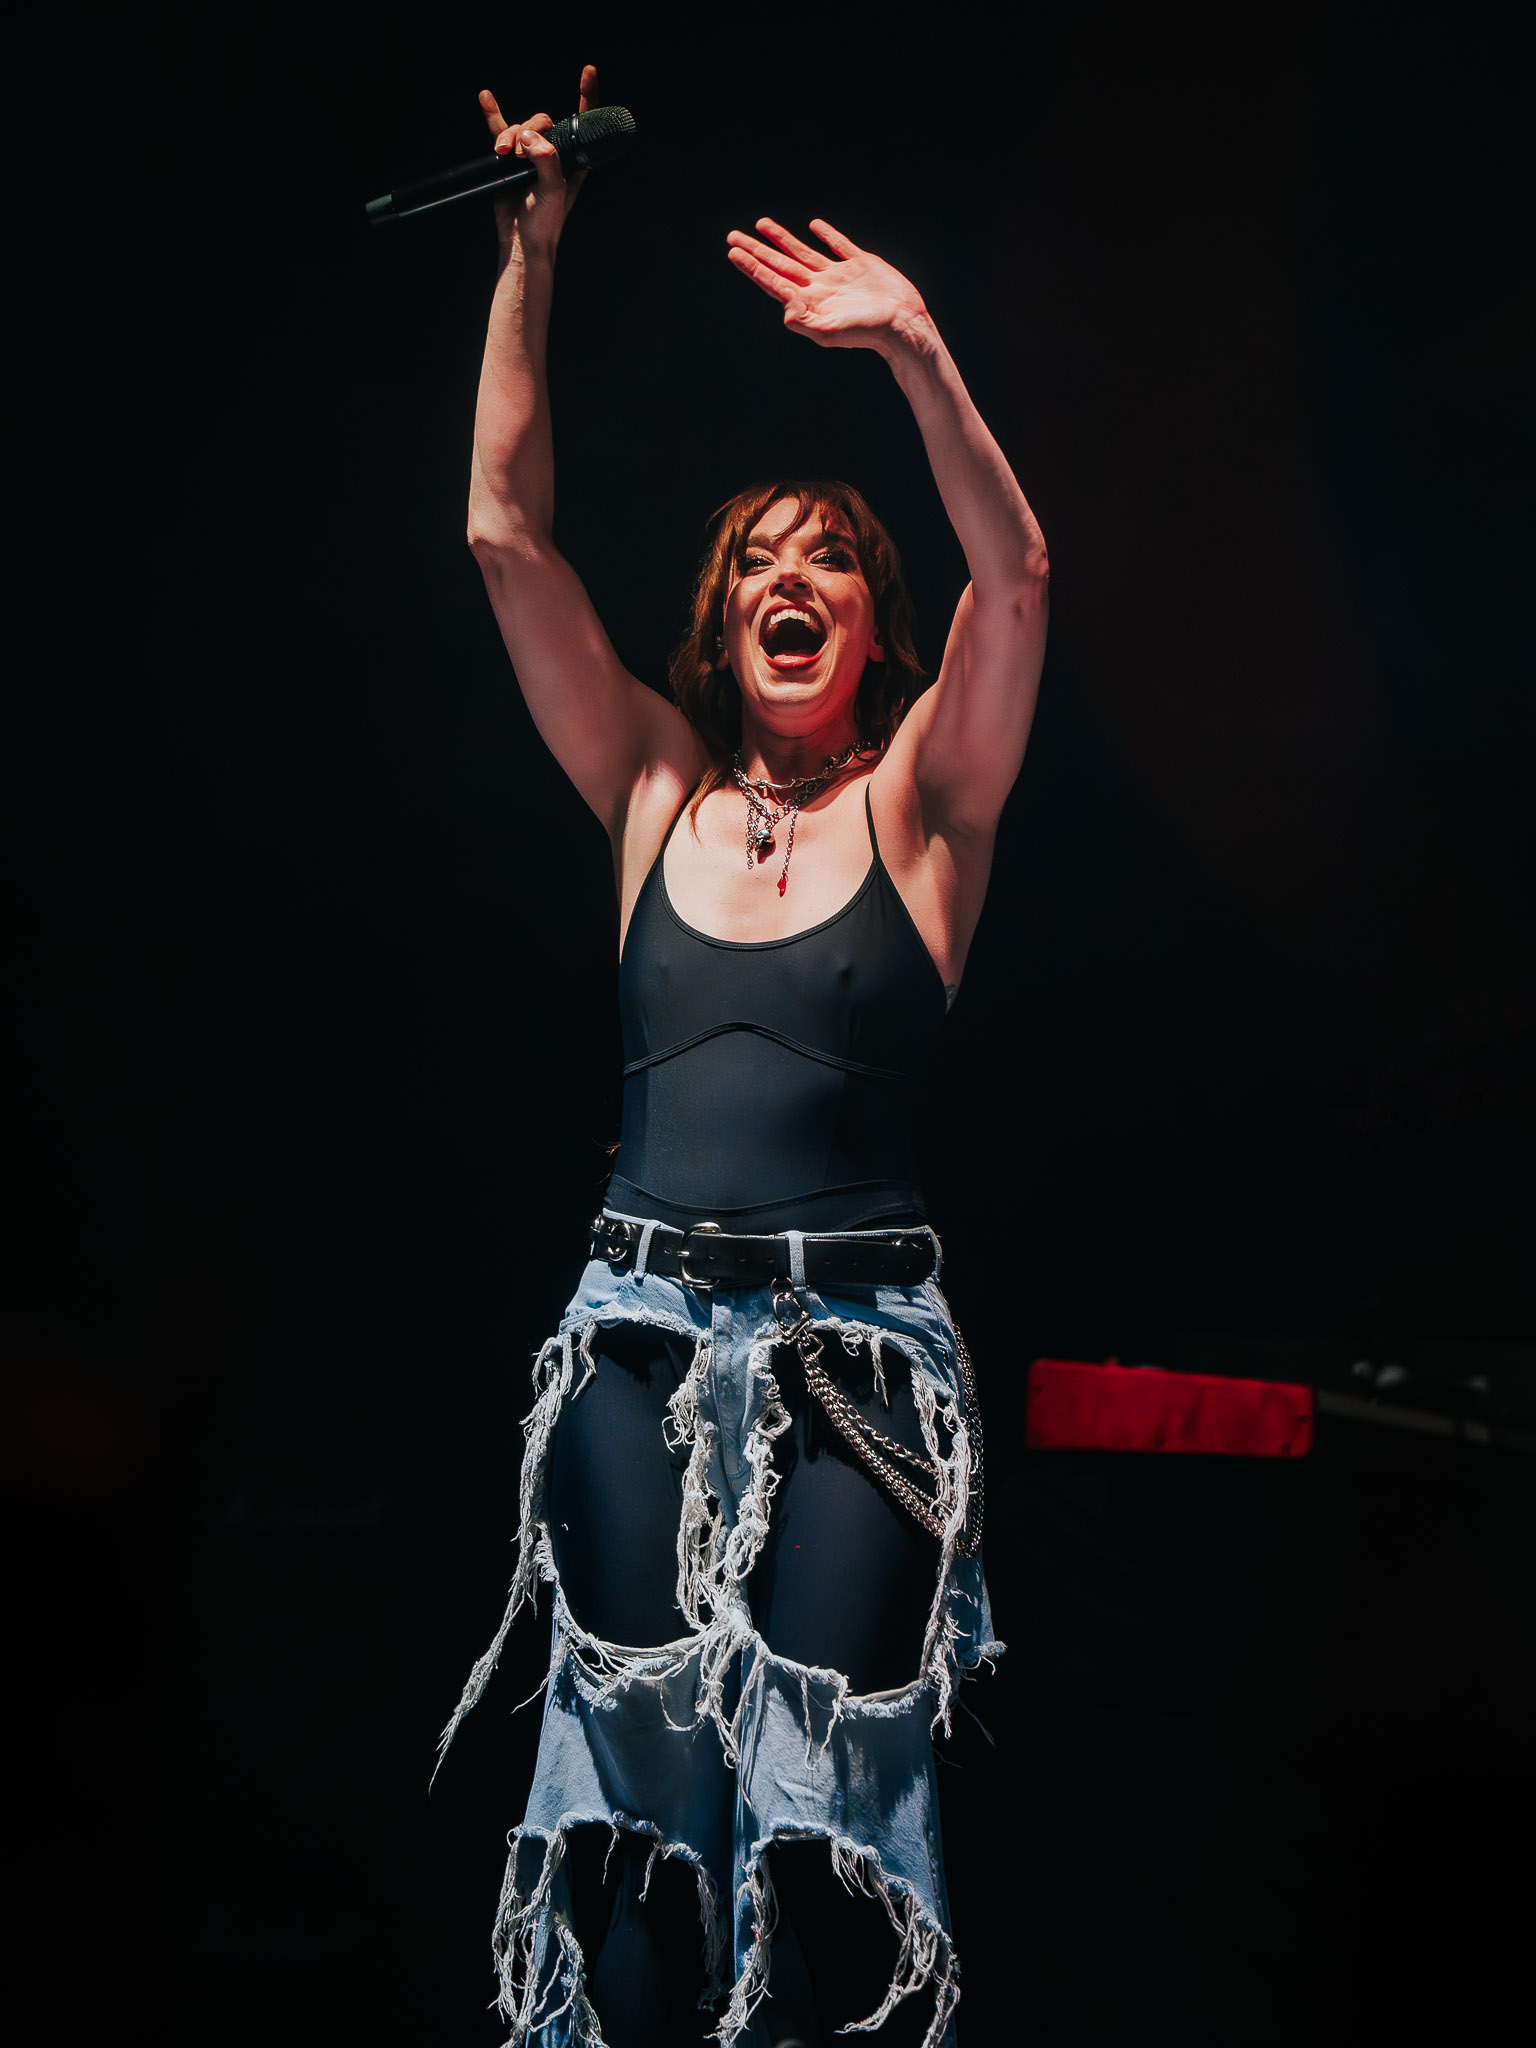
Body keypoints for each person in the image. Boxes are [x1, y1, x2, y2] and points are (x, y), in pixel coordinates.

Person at [435, 60, 1048, 2048]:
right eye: (761, 559)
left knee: (814, 1842)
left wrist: (918, 350)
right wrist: (532, 252)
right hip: (634, 1332)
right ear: (722, 620)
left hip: (858, 1345)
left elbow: (1021, 581)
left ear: (871, 625)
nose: (795, 578)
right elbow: (504, 534)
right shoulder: (653, 783)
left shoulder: (926, 803)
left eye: (833, 560)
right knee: (637, 1823)